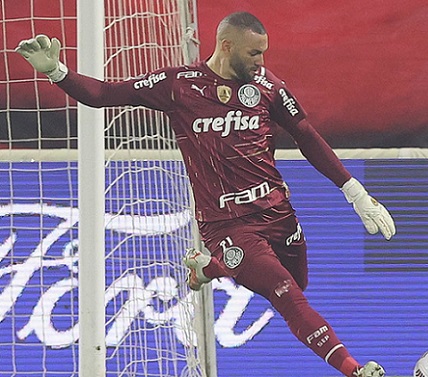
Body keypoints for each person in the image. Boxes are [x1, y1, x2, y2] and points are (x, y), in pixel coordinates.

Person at [16, 11, 395, 377]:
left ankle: (210, 267)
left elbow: (307, 136)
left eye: (264, 52)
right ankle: (355, 369)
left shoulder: (267, 86)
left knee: (297, 282)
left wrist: (356, 193)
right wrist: (57, 71)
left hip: (277, 211)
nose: (261, 60)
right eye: (254, 53)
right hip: (226, 223)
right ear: (226, 46)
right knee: (287, 296)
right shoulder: (179, 86)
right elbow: (105, 94)